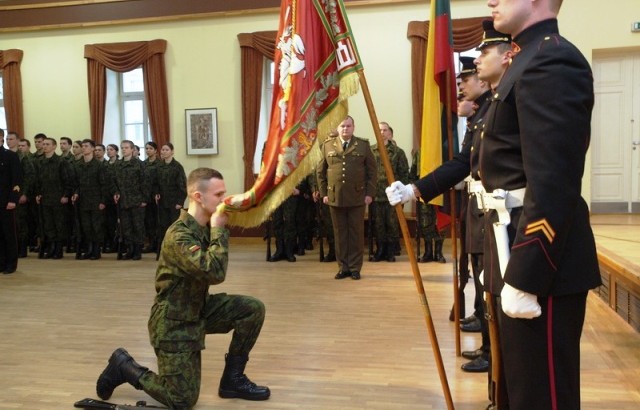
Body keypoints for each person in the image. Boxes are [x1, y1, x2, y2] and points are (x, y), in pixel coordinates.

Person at [96, 167, 270, 408]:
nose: (224, 201)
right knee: (182, 400)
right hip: (173, 323)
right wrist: (219, 227)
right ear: (198, 197)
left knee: (252, 309)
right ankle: (125, 367)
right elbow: (214, 272)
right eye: (218, 195)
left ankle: (233, 379)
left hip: (198, 309)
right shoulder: (179, 236)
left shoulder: (203, 227)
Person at [316, 115, 376, 280]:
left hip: (357, 197)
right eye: (342, 126)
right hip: (335, 197)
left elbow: (372, 172)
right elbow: (320, 172)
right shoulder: (327, 146)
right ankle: (343, 267)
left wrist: (369, 194)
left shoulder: (363, 145)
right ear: (338, 127)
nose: (345, 129)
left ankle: (355, 268)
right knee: (339, 234)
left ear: (353, 127)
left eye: (348, 126)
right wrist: (324, 194)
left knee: (356, 234)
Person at [370, 122, 409, 262]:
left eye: (385, 130)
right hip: (376, 194)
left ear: (390, 133)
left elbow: (404, 174)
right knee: (378, 224)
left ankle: (391, 251)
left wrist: (403, 193)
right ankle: (380, 250)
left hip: (393, 195)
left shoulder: (398, 152)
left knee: (392, 224)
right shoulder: (370, 151)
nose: (382, 132)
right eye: (379, 130)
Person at [35, 137, 74, 259]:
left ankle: (58, 249)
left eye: (47, 144)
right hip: (45, 198)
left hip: (58, 198)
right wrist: (38, 193)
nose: (44, 146)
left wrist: (66, 195)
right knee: (48, 225)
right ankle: (51, 247)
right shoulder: (39, 162)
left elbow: (68, 180)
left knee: (59, 224)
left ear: (54, 146)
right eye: (44, 144)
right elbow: (37, 181)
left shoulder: (61, 162)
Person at [110, 140, 148, 260]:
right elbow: (113, 181)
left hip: (137, 200)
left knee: (137, 226)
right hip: (123, 201)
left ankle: (137, 250)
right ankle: (130, 249)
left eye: (126, 148)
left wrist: (144, 199)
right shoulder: (117, 164)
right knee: (126, 227)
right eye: (122, 148)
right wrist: (115, 192)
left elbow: (146, 183)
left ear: (132, 149)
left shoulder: (139, 165)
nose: (124, 150)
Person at [72, 139, 108, 260]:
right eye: (82, 146)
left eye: (86, 146)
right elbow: (76, 183)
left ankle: (96, 251)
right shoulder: (78, 165)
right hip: (83, 200)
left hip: (96, 200)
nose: (83, 148)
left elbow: (104, 184)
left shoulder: (99, 165)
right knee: (86, 227)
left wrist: (103, 201)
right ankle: (89, 249)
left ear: (93, 148)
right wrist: (76, 193)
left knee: (96, 226)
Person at [154, 143, 187, 250]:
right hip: (162, 201)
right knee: (163, 226)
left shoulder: (177, 166)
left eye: (166, 150)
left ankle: (176, 249)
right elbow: (156, 183)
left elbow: (182, 186)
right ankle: (165, 249)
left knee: (175, 227)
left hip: (174, 202)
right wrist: (156, 193)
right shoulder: (159, 166)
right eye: (162, 149)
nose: (163, 151)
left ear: (172, 152)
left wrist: (180, 202)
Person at [0, 130, 23, 274]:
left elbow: (17, 180)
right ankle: (1, 262)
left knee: (8, 233)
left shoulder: (10, 156)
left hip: (6, 201)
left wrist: (13, 199)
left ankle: (11, 263)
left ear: (1, 138)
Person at [142, 142, 160, 253]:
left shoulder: (160, 164)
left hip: (156, 196)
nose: (148, 150)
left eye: (150, 148)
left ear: (156, 150)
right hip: (146, 196)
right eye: (147, 148)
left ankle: (158, 243)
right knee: (148, 221)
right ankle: (151, 243)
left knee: (157, 221)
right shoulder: (143, 164)